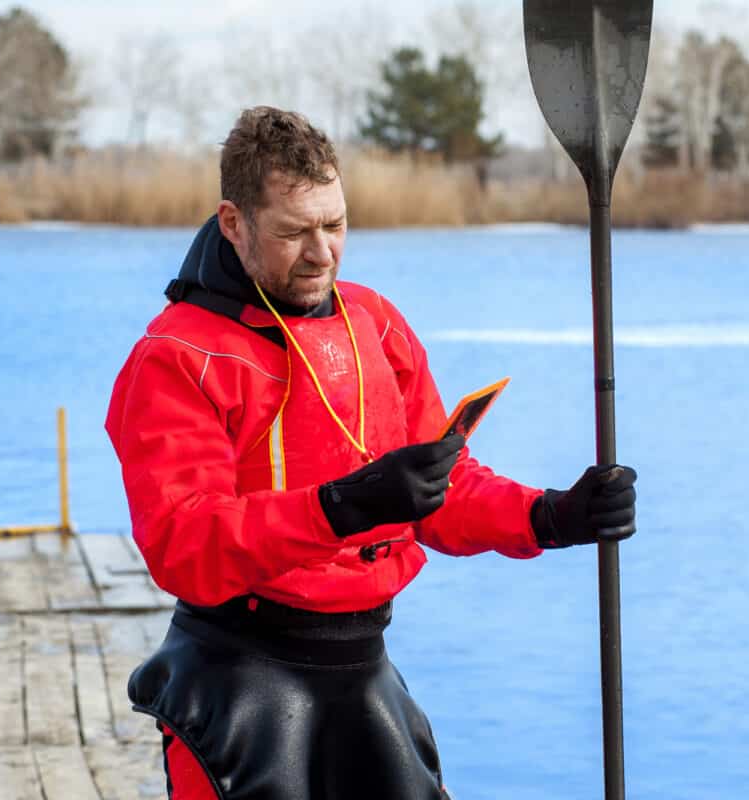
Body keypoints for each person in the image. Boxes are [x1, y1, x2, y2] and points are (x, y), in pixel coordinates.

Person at [105, 106, 638, 800]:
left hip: (364, 674)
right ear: (233, 224)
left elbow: (443, 491)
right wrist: (342, 507)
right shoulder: (176, 355)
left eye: (335, 224)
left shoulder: (374, 322)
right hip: (240, 673)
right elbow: (185, 546)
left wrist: (550, 516)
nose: (322, 252)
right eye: (294, 232)